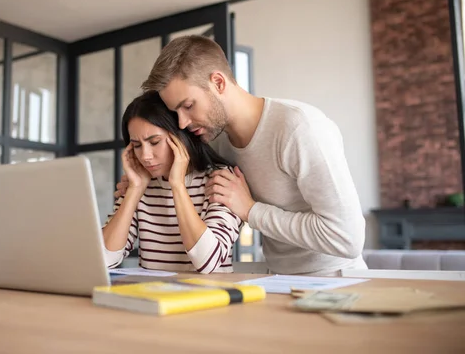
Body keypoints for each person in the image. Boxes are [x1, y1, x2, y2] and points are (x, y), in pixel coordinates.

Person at [115, 35, 368, 276]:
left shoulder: (299, 128)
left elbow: (346, 238)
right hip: (278, 277)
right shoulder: (216, 140)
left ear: (218, 83)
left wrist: (250, 210)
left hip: (336, 278)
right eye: (175, 111)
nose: (181, 123)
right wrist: (140, 180)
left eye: (188, 105)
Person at [102, 90, 242, 274]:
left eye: (154, 142)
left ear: (181, 138)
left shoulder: (220, 180)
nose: (145, 156)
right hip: (152, 299)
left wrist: (177, 186)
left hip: (208, 299)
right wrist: (135, 190)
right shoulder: (139, 185)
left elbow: (208, 261)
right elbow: (103, 258)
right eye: (136, 145)